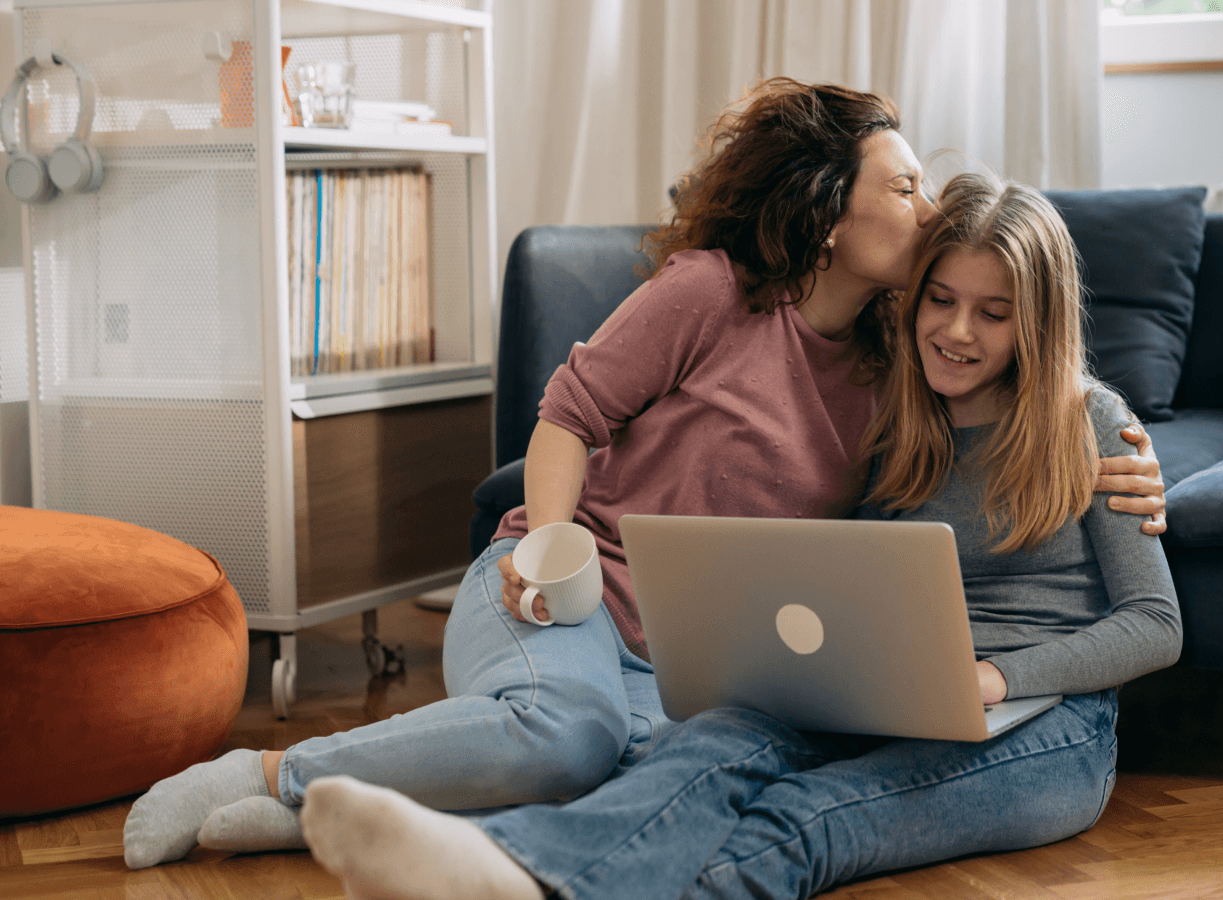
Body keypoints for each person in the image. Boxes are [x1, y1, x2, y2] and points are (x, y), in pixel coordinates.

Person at [121, 79, 1167, 870]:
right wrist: (544, 545)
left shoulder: (901, 367)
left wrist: (1124, 451)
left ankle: (336, 825)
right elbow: (565, 417)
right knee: (568, 732)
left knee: (671, 774)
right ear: (829, 211)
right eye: (902, 185)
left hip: (686, 658)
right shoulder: (709, 295)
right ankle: (271, 771)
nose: (925, 201)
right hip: (563, 588)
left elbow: (1029, 357)